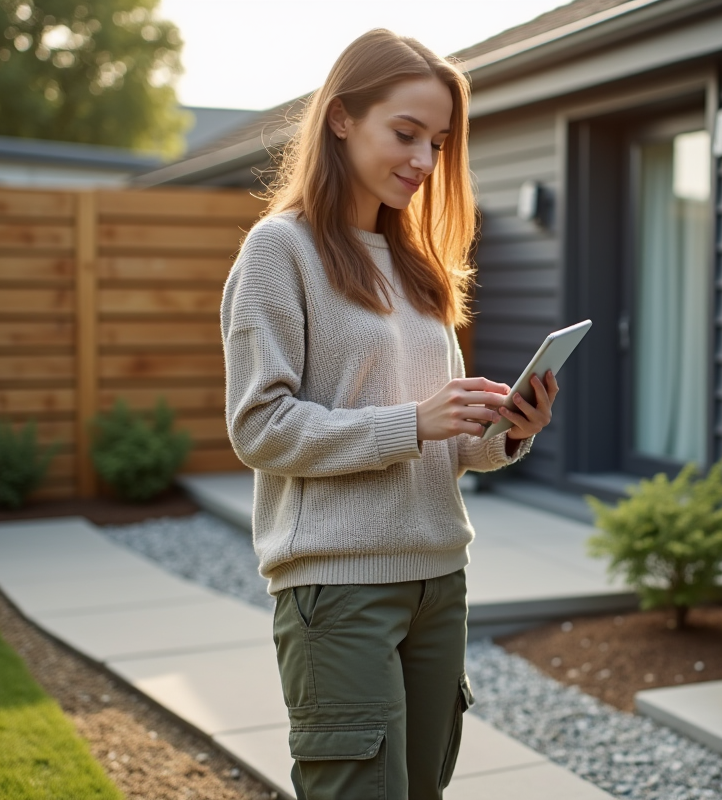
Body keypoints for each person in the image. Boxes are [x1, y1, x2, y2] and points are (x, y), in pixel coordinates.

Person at [220, 29, 558, 800]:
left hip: (440, 578)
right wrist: (412, 423)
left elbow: (447, 442)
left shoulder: (416, 265)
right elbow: (260, 428)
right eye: (406, 134)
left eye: (437, 143)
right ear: (341, 118)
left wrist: (504, 433)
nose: (424, 162)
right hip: (340, 589)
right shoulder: (281, 251)